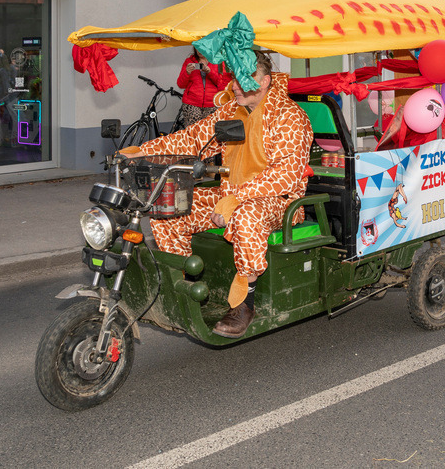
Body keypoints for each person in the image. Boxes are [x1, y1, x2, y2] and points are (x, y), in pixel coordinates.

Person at [124, 51, 313, 337]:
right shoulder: (231, 111)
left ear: (265, 82)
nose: (235, 86)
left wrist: (237, 199)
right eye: (234, 78)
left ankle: (244, 303)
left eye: (243, 79)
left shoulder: (290, 116)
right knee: (169, 207)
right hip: (229, 193)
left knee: (246, 215)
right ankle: (184, 286)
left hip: (279, 201)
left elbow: (285, 175)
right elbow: (192, 139)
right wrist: (142, 151)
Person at [176, 48, 233, 129]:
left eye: (202, 48)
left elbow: (223, 85)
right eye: (197, 48)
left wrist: (209, 72)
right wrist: (187, 73)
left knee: (209, 131)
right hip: (192, 103)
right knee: (193, 131)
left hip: (212, 104)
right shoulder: (189, 61)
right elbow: (180, 84)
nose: (199, 51)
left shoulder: (218, 61)